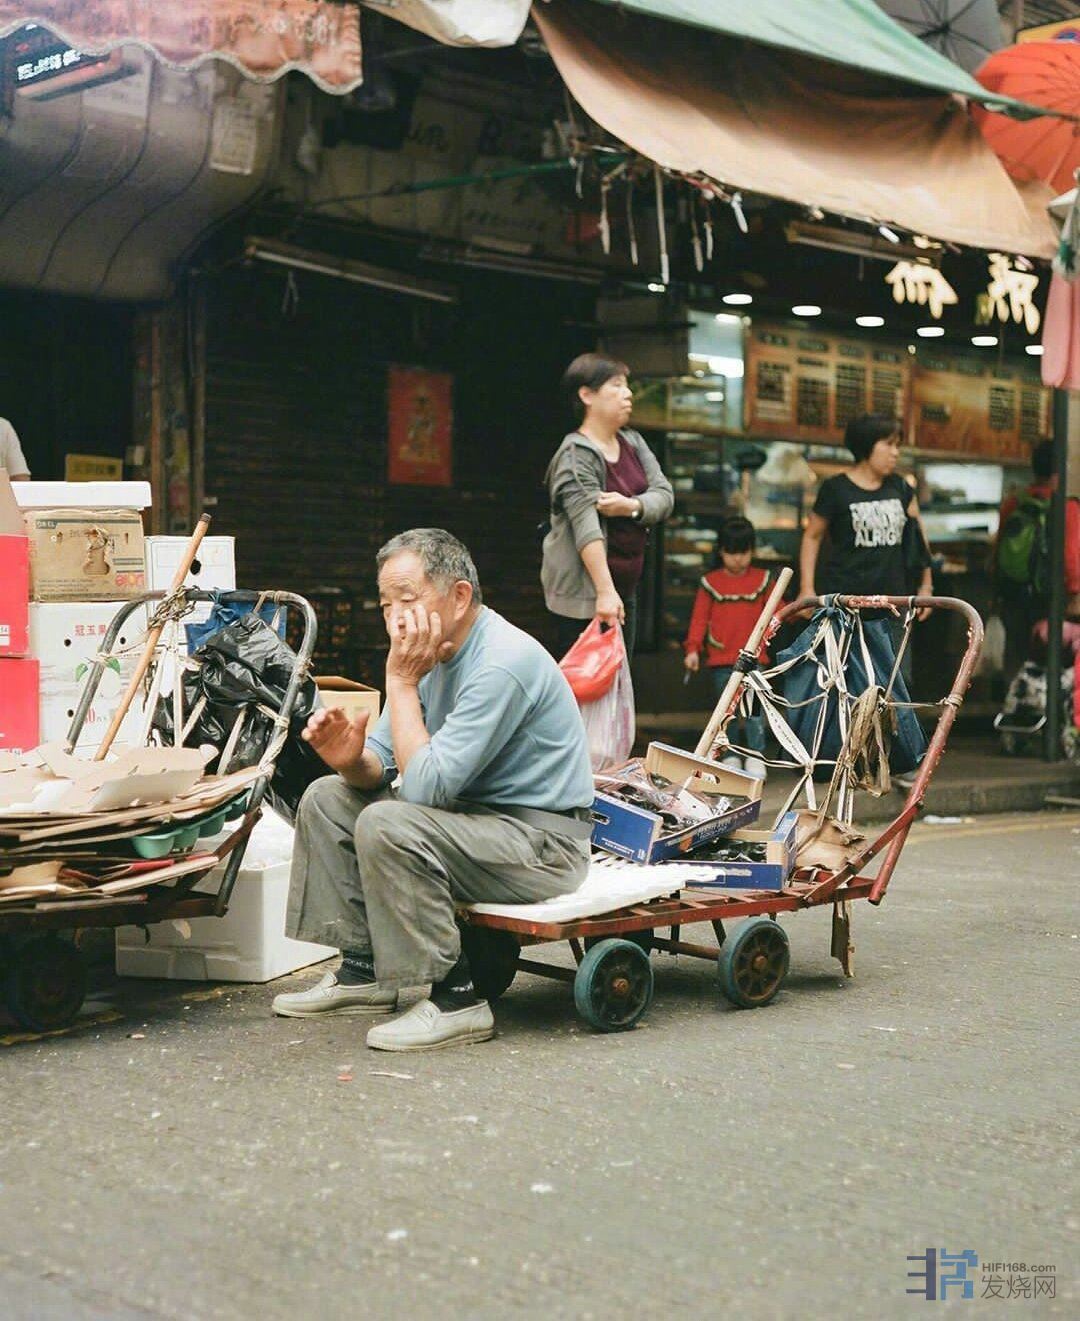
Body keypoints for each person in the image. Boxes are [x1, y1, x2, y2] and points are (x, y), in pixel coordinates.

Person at [273, 528, 594, 1052]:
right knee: (328, 798)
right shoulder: (428, 656)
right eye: (386, 604)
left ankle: (457, 998)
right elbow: (381, 765)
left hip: (541, 844)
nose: (395, 617)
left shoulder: (501, 661)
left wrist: (399, 683)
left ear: (459, 596)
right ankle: (364, 971)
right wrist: (349, 760)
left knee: (389, 822)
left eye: (408, 598)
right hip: (471, 824)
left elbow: (424, 793)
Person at [541, 353, 674, 658]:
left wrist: (631, 506)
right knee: (586, 681)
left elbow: (665, 496)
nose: (628, 394)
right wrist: (604, 591)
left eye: (627, 385)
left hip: (624, 590)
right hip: (587, 597)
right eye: (616, 385)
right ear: (587, 395)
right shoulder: (575, 455)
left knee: (619, 679)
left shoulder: (633, 442)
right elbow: (586, 527)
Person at [799, 412, 933, 655]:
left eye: (898, 445)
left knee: (893, 675)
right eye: (889, 444)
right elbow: (812, 536)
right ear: (866, 445)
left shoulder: (901, 487)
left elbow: (918, 538)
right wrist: (806, 588)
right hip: (846, 604)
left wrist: (926, 587)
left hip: (893, 605)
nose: (895, 453)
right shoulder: (835, 489)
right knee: (843, 673)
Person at [683, 517, 772, 780]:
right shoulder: (710, 582)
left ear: (752, 550)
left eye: (743, 552)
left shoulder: (764, 580)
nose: (738, 558)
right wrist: (692, 649)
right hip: (722, 659)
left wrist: (801, 611)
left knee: (754, 711)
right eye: (732, 552)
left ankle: (755, 755)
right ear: (721, 551)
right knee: (726, 712)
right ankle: (730, 755)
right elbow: (699, 618)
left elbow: (778, 613)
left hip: (755, 658)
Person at [994, 438, 1080, 683]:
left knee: (1016, 657)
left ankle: (1014, 701)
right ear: (1061, 468)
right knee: (1050, 661)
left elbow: (997, 551)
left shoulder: (1013, 503)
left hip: (1013, 595)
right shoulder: (1067, 507)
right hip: (1050, 598)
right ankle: (1044, 705)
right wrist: (1074, 595)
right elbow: (1071, 556)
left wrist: (997, 593)